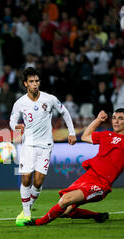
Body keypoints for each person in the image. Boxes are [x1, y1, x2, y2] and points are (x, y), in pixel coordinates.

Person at [24, 109, 124, 227]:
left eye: (120, 118)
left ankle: (37, 223)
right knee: (65, 211)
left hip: (101, 185)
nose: (116, 121)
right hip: (89, 177)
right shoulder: (106, 135)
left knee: (66, 200)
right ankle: (99, 216)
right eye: (114, 118)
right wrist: (98, 119)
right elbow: (85, 136)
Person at [9, 67, 77, 227]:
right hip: (29, 145)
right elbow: (11, 122)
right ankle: (26, 213)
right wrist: (18, 126)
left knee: (38, 182)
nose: (35, 84)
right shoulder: (20, 103)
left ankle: (26, 209)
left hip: (46, 145)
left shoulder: (49, 99)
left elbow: (65, 112)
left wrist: (72, 133)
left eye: (37, 81)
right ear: (25, 84)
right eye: (31, 81)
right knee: (26, 178)